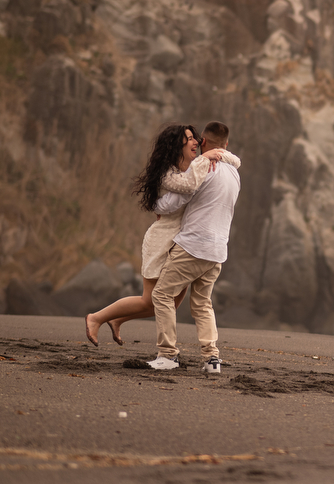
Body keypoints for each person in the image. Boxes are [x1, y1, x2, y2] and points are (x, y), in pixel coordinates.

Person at [84, 124, 240, 346]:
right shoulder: (170, 173)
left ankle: (117, 319)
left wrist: (223, 156)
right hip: (164, 237)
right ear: (178, 144)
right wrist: (206, 162)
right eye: (189, 139)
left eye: (197, 139)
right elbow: (168, 203)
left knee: (169, 303)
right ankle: (97, 318)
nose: (196, 142)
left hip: (184, 241)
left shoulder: (196, 167)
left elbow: (229, 165)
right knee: (152, 299)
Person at [147, 120, 240, 373]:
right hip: (218, 249)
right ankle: (212, 359)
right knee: (202, 303)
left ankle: (168, 355)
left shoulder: (203, 169)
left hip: (193, 245)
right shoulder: (234, 173)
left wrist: (155, 206)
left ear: (204, 143)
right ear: (227, 145)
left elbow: (172, 201)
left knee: (162, 295)